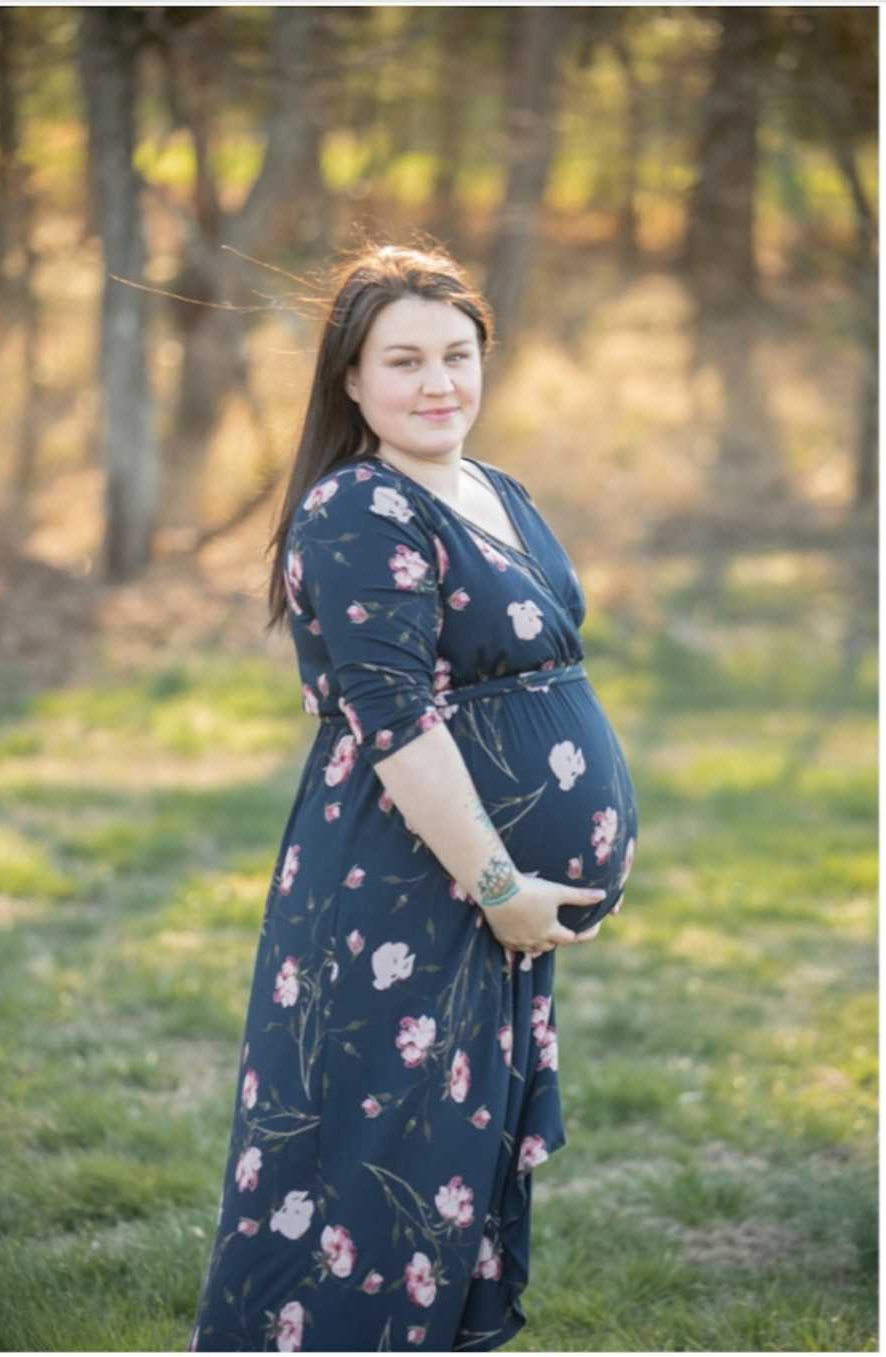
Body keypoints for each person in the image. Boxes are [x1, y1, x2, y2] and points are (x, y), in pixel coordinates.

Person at [189, 242, 638, 1354]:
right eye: (404, 361)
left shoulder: (493, 490)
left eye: (457, 354)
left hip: (483, 899)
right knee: (371, 1180)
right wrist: (497, 886)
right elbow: (397, 725)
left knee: (449, 1176)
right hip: (406, 893)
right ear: (349, 379)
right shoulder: (357, 510)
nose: (439, 383)